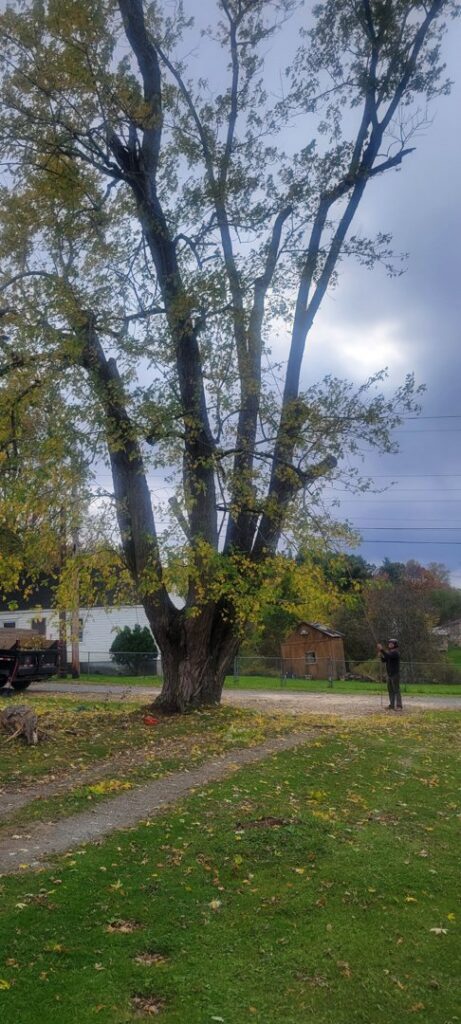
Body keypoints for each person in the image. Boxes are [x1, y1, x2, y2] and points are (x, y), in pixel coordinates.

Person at [377, 638, 403, 711]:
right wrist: (380, 656)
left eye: (392, 643)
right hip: (389, 674)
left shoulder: (395, 653)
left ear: (395, 645)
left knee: (396, 690)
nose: (390, 644)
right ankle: (391, 705)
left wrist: (381, 649)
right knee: (390, 690)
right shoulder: (389, 653)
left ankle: (399, 706)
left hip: (395, 674)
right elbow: (384, 660)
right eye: (389, 643)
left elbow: (388, 656)